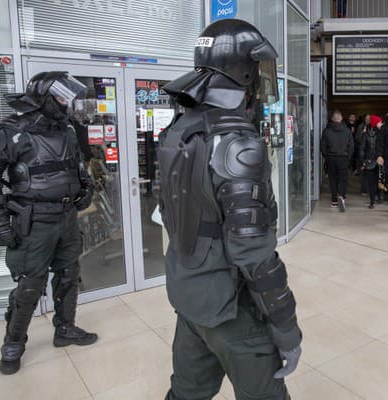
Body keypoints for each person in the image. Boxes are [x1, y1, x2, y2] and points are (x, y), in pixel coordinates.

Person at [157, 19, 302, 400]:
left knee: (186, 394)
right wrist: (287, 329)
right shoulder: (237, 143)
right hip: (232, 310)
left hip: (189, 297)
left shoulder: (181, 129)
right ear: (245, 70)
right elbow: (253, 253)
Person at [0, 71, 97, 375]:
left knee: (69, 275)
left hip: (67, 219)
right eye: (60, 97)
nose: (66, 103)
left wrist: (86, 188)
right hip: (33, 223)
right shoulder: (12, 131)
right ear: (43, 97)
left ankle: (65, 328)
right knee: (30, 286)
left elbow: (78, 166)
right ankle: (13, 343)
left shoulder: (67, 130)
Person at [322, 109, 354, 211]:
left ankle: (334, 201)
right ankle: (341, 195)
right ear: (341, 118)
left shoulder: (326, 131)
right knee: (343, 179)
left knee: (333, 179)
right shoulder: (347, 130)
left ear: (332, 119)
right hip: (343, 158)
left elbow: (323, 146)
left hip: (331, 158)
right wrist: (348, 157)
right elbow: (351, 146)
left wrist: (326, 157)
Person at [358, 115, 382, 208]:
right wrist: (363, 161)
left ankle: (378, 197)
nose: (381, 124)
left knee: (379, 181)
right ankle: (372, 200)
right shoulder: (366, 135)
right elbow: (362, 149)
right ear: (375, 124)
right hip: (370, 161)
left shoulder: (382, 133)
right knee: (372, 182)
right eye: (379, 122)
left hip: (380, 161)